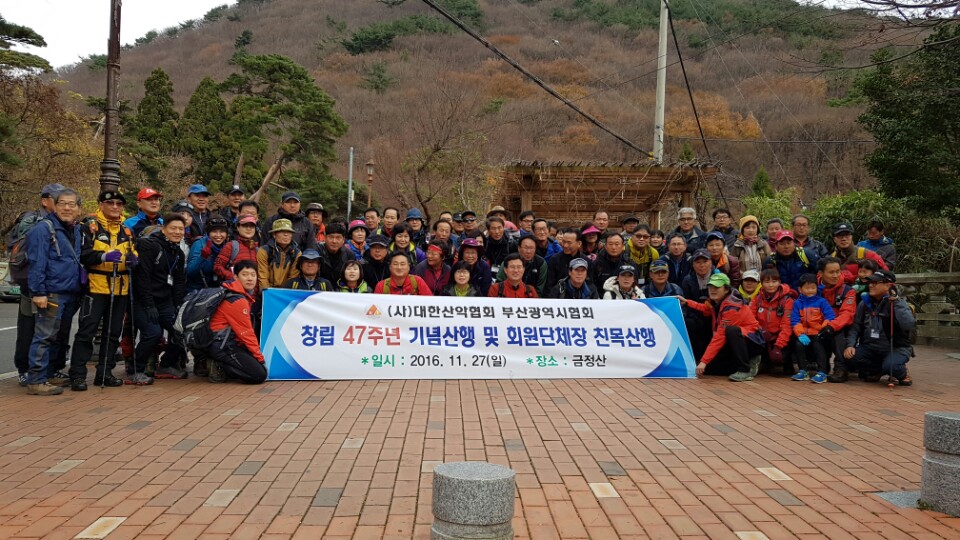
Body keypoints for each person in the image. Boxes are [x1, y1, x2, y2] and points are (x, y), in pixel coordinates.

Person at [68, 191, 137, 391]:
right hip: (96, 285)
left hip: (121, 286)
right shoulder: (89, 226)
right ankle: (78, 375)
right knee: (86, 331)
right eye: (110, 203)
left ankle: (105, 373)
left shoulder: (127, 230)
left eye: (119, 204)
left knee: (113, 333)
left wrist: (134, 259)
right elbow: (82, 254)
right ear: (101, 204)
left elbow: (133, 251)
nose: (115, 207)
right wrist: (103, 257)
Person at [23, 188, 83, 395]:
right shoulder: (43, 229)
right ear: (54, 206)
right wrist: (38, 292)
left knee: (59, 337)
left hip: (70, 291)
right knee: (44, 336)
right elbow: (37, 263)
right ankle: (36, 380)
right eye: (62, 203)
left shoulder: (75, 230)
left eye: (71, 204)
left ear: (79, 209)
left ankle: (49, 374)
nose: (67, 208)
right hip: (51, 291)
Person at [9, 183, 63, 386]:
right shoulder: (34, 222)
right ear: (44, 201)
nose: (62, 203)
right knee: (29, 327)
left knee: (51, 330)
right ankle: (24, 370)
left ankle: (49, 369)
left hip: (52, 283)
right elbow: (35, 255)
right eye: (57, 199)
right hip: (32, 284)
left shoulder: (62, 222)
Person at [132, 214, 188, 384]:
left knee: (181, 331)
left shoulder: (178, 253)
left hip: (165, 301)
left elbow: (179, 282)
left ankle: (166, 364)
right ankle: (136, 369)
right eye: (173, 228)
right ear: (163, 229)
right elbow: (142, 278)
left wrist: (178, 306)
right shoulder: (150, 246)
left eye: (181, 229)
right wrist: (149, 305)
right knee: (153, 333)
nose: (177, 232)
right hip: (143, 301)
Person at [679, 273, 765, 382]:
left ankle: (745, 369)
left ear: (726, 290)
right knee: (709, 369)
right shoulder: (716, 302)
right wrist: (687, 302)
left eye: (717, 287)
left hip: (753, 342)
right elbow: (705, 308)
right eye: (711, 287)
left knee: (731, 330)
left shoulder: (732, 307)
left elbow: (720, 337)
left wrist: (704, 361)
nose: (713, 290)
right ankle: (746, 364)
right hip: (734, 342)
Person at [844, 270, 914, 385]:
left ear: (888, 286)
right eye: (870, 282)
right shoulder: (865, 303)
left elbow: (908, 324)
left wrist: (896, 302)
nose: (871, 285)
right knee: (849, 357)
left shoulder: (897, 303)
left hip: (894, 347)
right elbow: (856, 326)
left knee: (892, 366)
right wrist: (850, 345)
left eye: (875, 283)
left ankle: (902, 372)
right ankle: (878, 370)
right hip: (870, 347)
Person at [205, 260, 268, 384]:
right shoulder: (237, 300)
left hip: (219, 341)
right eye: (245, 274)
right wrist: (261, 360)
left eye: (253, 275)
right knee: (259, 375)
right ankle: (219, 365)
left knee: (251, 360)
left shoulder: (233, 292)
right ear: (235, 277)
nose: (249, 278)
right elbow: (246, 333)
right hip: (222, 345)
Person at [816, 257, 858, 383]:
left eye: (838, 271)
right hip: (817, 324)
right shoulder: (812, 288)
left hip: (839, 327)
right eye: (831, 272)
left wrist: (831, 326)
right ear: (821, 273)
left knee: (837, 333)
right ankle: (821, 367)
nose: (835, 275)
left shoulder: (847, 290)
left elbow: (847, 314)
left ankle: (841, 369)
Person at [790, 273, 836, 384]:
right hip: (804, 334)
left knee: (818, 345)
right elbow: (795, 320)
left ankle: (822, 372)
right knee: (799, 345)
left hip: (818, 333)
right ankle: (803, 370)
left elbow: (830, 316)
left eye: (813, 288)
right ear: (800, 289)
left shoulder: (821, 301)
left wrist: (823, 329)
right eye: (807, 288)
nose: (810, 290)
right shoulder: (797, 303)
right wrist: (800, 334)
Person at [751, 268, 794, 375]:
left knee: (781, 358)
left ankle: (786, 363)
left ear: (779, 282)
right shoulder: (757, 298)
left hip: (780, 337)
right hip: (763, 336)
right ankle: (764, 362)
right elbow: (750, 319)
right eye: (767, 282)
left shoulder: (787, 300)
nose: (771, 285)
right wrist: (760, 330)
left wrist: (778, 346)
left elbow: (787, 325)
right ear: (761, 284)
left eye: (774, 281)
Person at [186, 216, 231, 291]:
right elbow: (189, 272)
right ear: (208, 233)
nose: (218, 235)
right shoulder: (200, 244)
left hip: (220, 289)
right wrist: (202, 257)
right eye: (214, 231)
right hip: (198, 290)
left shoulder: (228, 246)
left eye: (222, 231)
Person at [257, 218, 302, 291]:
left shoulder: (296, 253)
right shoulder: (264, 251)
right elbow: (263, 276)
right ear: (274, 235)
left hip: (286, 292)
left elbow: (293, 278)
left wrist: (283, 294)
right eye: (282, 231)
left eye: (289, 232)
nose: (286, 234)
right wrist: (267, 293)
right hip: (268, 291)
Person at [214, 215, 260, 282]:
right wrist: (234, 278)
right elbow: (217, 267)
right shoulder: (231, 246)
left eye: (252, 226)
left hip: (254, 288)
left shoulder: (257, 249)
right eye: (245, 225)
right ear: (238, 227)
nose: (248, 228)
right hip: (235, 287)